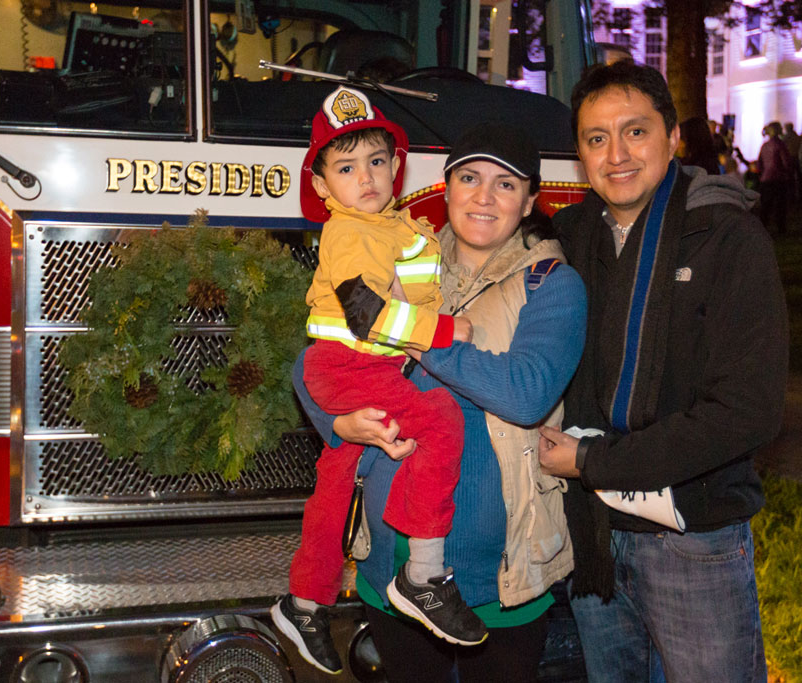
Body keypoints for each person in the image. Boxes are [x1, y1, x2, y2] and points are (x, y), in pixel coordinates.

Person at [294, 121, 587, 682]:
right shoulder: (403, 254)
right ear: (445, 188)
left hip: (500, 578)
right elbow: (312, 361)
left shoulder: (551, 284)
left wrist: (416, 332)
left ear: (530, 201)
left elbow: (524, 394)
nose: (483, 196)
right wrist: (339, 423)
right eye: (470, 177)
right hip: (391, 564)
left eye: (505, 185)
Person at [540, 60, 788, 682]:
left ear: (672, 137)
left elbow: (747, 410)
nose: (616, 154)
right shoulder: (568, 240)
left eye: (636, 131)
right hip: (596, 539)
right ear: (580, 154)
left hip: (692, 540)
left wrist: (596, 463)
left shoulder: (728, 240)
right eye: (597, 139)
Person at [271, 86, 482, 675]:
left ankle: (305, 599)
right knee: (440, 420)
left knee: (336, 485)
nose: (364, 177)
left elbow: (406, 285)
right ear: (320, 186)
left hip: (347, 367)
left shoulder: (392, 226)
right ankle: (423, 574)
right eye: (345, 166)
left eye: (376, 160)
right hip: (352, 364)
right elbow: (366, 314)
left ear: (396, 166)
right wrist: (447, 330)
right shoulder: (352, 232)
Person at [756, 121, 793, 233]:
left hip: (765, 179)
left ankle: (762, 227)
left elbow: (760, 164)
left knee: (766, 205)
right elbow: (786, 162)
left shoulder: (764, 146)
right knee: (780, 205)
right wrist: (788, 173)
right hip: (779, 178)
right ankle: (781, 228)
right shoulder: (780, 144)